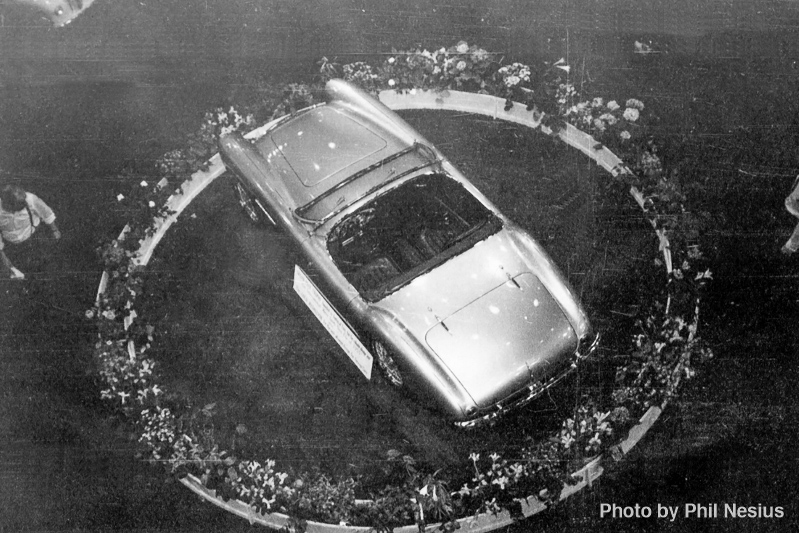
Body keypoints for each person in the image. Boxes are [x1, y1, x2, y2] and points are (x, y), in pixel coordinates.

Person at [0, 185, 61, 279]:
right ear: (7, 205)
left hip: (33, 239)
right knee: (16, 274)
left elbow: (47, 213)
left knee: (41, 266)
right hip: (9, 245)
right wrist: (8, 264)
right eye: (17, 208)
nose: (20, 209)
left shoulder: (31, 199)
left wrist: (54, 230)